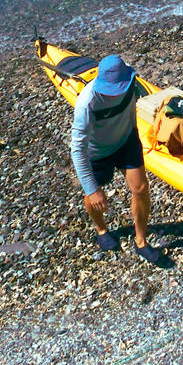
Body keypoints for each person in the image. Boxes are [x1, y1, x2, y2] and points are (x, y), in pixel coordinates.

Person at [69, 54, 168, 266]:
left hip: (126, 140)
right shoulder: (87, 103)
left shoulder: (130, 84)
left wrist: (133, 132)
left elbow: (132, 107)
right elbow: (77, 149)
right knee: (93, 195)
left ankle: (141, 242)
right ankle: (102, 230)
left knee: (141, 188)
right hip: (97, 152)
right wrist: (91, 189)